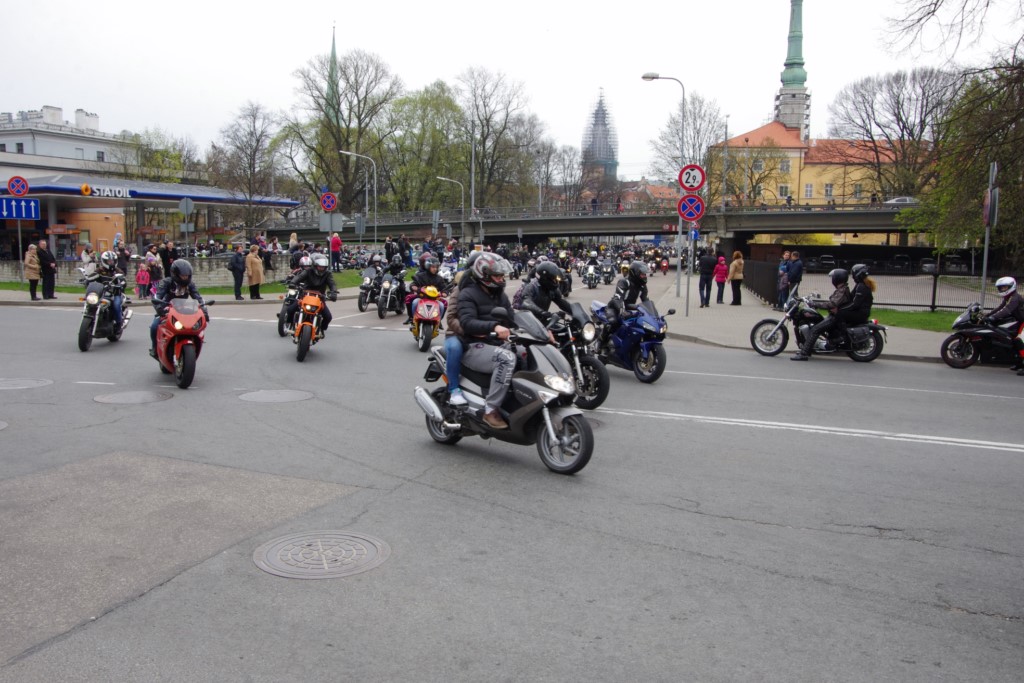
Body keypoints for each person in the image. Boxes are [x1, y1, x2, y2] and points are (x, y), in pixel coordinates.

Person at [458, 252, 516, 430]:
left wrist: (541, 329)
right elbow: (467, 323)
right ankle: (490, 410)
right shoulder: (467, 294)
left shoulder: (500, 296)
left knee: (525, 352)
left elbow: (513, 318)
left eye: (502, 275)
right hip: (473, 346)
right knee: (507, 359)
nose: (501, 279)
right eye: (497, 276)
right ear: (484, 275)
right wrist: (494, 327)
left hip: (497, 344)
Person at [443, 250, 485, 407]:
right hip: (457, 334)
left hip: (484, 332)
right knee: (454, 348)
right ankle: (454, 389)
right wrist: (468, 330)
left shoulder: (491, 289)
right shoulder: (460, 289)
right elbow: (451, 317)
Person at [149, 260, 207, 358]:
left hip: (182, 310)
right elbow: (157, 296)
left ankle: (195, 344)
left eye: (187, 276)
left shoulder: (190, 284)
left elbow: (198, 297)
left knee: (195, 325)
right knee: (154, 326)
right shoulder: (167, 282)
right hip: (166, 309)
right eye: (183, 276)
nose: (185, 278)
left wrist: (204, 310)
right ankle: (155, 349)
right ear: (175, 274)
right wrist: (159, 308)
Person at [792, 268, 852, 361]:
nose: (832, 279)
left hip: (835, 317)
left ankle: (804, 354)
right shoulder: (841, 289)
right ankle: (808, 348)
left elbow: (832, 304)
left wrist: (815, 304)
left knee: (815, 330)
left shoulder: (842, 291)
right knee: (815, 324)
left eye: (833, 277)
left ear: (837, 278)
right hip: (834, 315)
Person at [598, 261, 651, 353]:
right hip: (614, 307)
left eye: (645, 274)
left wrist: (652, 314)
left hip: (629, 309)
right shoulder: (624, 282)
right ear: (635, 273)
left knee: (638, 325)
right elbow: (618, 298)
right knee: (612, 322)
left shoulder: (642, 286)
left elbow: (646, 301)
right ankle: (600, 342)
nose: (644, 276)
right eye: (642, 274)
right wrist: (622, 310)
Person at [285, 253, 338, 336]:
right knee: (290, 310)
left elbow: (332, 284)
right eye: (320, 266)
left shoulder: (327, 274)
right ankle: (291, 324)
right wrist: (293, 283)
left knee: (328, 317)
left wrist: (333, 292)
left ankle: (321, 329)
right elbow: (299, 277)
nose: (321, 268)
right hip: (306, 295)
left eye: (323, 267)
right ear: (315, 266)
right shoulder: (308, 271)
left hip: (319, 297)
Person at [981, 276, 1024, 373]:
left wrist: (993, 318)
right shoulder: (1009, 297)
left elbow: (1007, 310)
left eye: (1004, 287)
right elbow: (1000, 307)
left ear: (1011, 286)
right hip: (1019, 321)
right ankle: (1019, 363)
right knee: (1012, 340)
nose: (1002, 289)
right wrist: (988, 315)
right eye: (1001, 288)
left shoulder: (1015, 298)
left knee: (1018, 341)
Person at [406, 255, 446, 324]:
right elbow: (414, 283)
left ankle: (438, 322)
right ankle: (412, 318)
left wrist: (445, 292)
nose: (435, 269)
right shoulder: (420, 275)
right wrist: (414, 287)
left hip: (435, 299)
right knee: (414, 302)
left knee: (442, 305)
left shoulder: (439, 278)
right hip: (421, 297)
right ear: (428, 266)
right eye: (433, 267)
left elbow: (444, 288)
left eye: (436, 267)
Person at [95, 250, 126, 329]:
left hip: (115, 293)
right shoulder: (99, 270)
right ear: (104, 261)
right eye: (109, 261)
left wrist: (121, 284)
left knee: (116, 305)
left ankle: (119, 324)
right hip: (101, 293)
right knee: (91, 302)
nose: (111, 263)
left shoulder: (118, 271)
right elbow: (92, 277)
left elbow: (123, 280)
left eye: (112, 261)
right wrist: (87, 280)